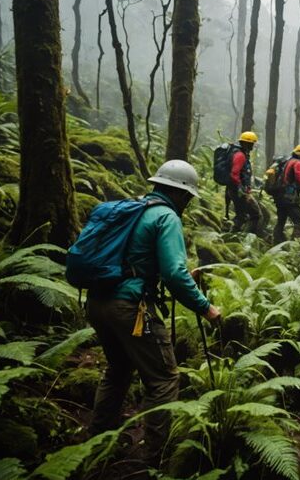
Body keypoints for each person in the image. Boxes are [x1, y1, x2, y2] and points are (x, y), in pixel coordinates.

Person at [88, 160, 221, 460]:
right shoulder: (166, 217)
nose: (187, 203)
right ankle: (157, 457)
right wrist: (206, 308)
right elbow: (174, 273)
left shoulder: (131, 211)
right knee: (163, 379)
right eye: (188, 197)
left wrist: (181, 276)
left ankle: (97, 443)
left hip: (97, 302)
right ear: (179, 193)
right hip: (131, 309)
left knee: (118, 369)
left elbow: (139, 260)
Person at [273, 144, 300, 243]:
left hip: (280, 196)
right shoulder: (297, 163)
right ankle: (295, 244)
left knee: (281, 220)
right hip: (290, 197)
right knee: (298, 221)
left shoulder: (288, 161)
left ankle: (276, 241)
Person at [228, 131, 264, 236]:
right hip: (239, 191)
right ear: (247, 144)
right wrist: (242, 190)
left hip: (235, 190)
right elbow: (234, 174)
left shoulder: (240, 154)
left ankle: (232, 235)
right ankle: (247, 239)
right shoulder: (240, 156)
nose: (253, 146)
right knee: (256, 215)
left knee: (241, 215)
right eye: (252, 143)